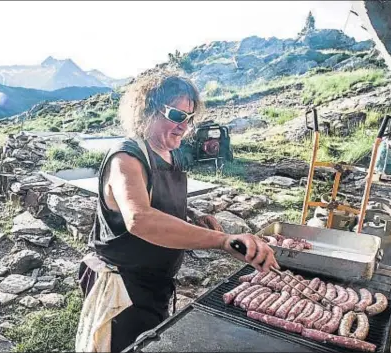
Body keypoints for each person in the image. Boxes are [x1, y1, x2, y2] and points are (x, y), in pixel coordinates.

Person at [75, 72, 279, 353]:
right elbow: (140, 219)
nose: (185, 126)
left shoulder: (171, 153)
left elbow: (158, 199)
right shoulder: (127, 157)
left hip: (156, 283)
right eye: (176, 115)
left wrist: (192, 217)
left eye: (190, 117)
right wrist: (221, 241)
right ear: (146, 111)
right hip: (123, 288)